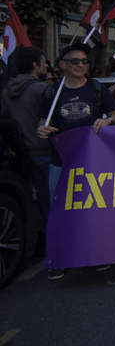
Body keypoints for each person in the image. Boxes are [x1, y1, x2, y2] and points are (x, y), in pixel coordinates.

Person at [36, 43, 115, 280]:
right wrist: (41, 130)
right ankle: (58, 258)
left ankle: (96, 254)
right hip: (60, 161)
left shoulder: (96, 89)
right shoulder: (51, 92)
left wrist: (107, 121)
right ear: (62, 64)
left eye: (84, 61)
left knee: (94, 208)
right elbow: (42, 122)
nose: (80, 65)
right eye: (75, 61)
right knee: (59, 211)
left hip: (91, 161)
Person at [1, 47, 52, 225]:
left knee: (33, 198)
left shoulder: (7, 90)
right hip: (44, 151)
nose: (46, 65)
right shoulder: (42, 90)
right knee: (49, 197)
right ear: (35, 65)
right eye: (43, 62)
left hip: (21, 152)